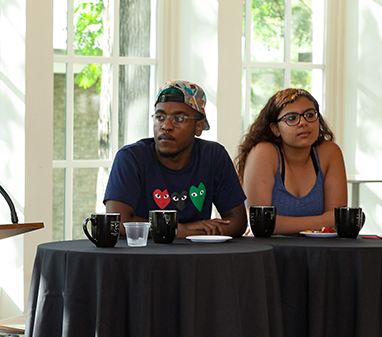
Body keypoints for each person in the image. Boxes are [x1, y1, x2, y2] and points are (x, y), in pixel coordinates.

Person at [104, 80, 247, 238]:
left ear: (198, 127)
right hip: (144, 257)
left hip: (197, 258)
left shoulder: (213, 156)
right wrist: (182, 230)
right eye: (160, 117)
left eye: (179, 119)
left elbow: (238, 221)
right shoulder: (131, 158)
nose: (166, 126)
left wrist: (189, 232)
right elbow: (116, 223)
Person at [235, 88, 347, 234]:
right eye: (292, 118)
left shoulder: (330, 152)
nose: (303, 122)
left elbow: (338, 219)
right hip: (268, 252)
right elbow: (260, 222)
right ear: (275, 129)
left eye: (309, 115)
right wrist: (321, 221)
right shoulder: (263, 152)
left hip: (318, 251)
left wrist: (278, 223)